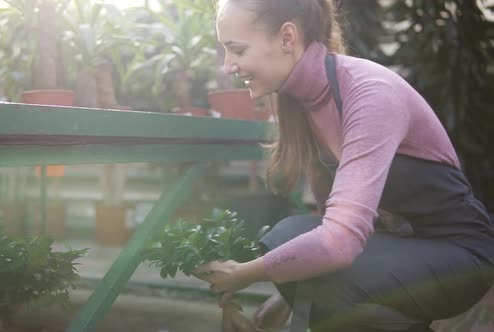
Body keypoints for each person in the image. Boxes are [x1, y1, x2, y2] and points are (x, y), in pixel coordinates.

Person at [192, 0, 494, 331]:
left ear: (287, 38)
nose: (227, 66)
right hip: (399, 245)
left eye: (236, 49)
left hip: (461, 255)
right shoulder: (303, 100)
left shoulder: (369, 94)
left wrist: (242, 275)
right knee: (287, 238)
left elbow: (338, 244)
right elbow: (330, 222)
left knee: (318, 274)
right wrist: (290, 295)